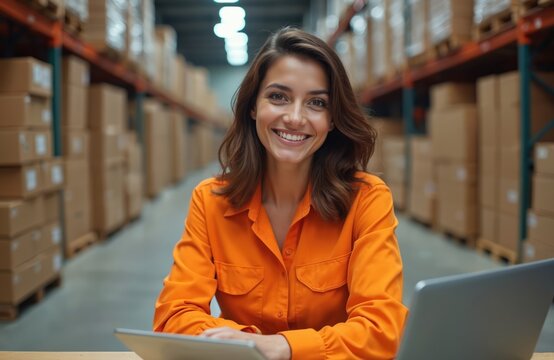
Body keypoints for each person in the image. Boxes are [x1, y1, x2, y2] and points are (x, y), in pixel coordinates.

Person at [153, 27, 408, 360]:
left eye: (316, 103)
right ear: (253, 107)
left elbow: (382, 329)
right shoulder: (212, 201)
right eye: (278, 97)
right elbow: (173, 316)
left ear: (332, 120)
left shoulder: (367, 200)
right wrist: (247, 346)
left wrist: (284, 346)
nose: (295, 118)